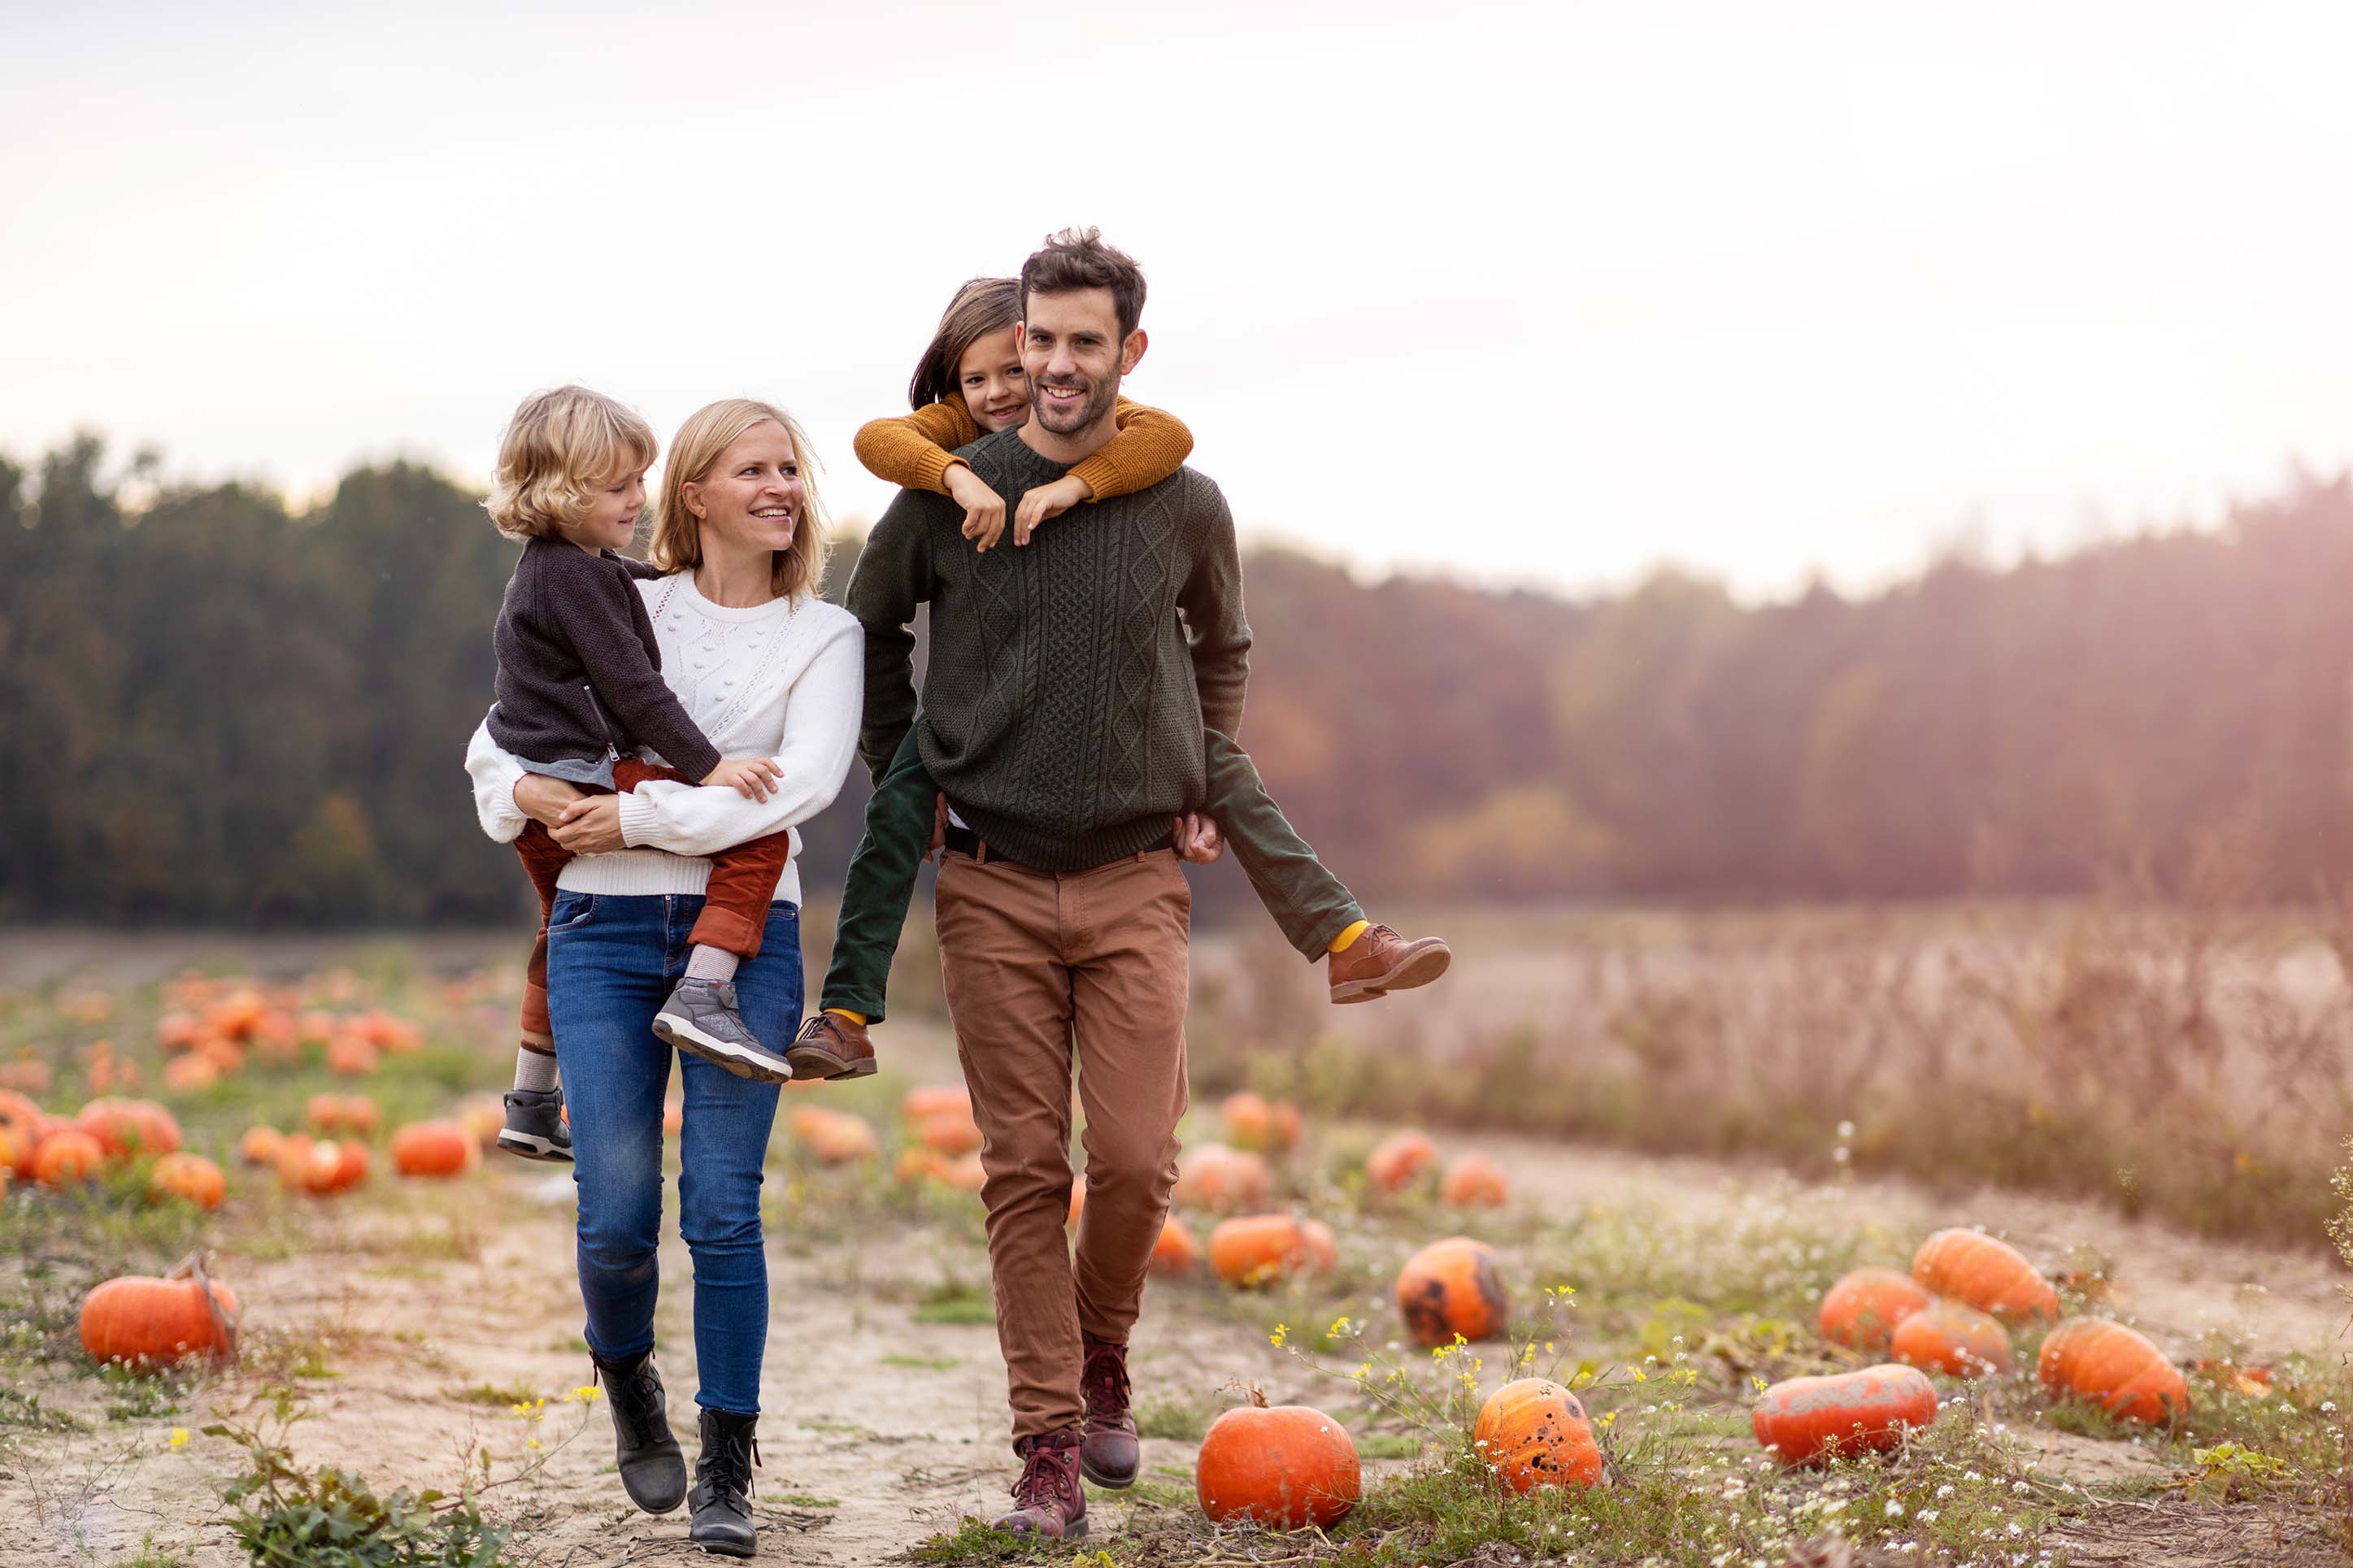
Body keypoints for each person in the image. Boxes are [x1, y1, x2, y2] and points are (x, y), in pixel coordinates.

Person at [789, 276, 1449, 1085]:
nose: (1003, 390)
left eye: (1017, 366)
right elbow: (876, 456)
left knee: (1227, 772)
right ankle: (848, 1015)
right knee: (891, 817)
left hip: (1138, 767)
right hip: (969, 749)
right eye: (980, 376)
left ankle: (1347, 943)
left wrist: (1074, 484)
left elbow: (1170, 439)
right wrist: (895, 752)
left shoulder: (1137, 450)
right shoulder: (944, 448)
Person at [465, 397, 862, 1558]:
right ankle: (626, 1373)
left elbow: (797, 787)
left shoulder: (820, 636)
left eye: (792, 468)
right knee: (619, 1214)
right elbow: (498, 735)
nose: (782, 486)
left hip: (749, 939)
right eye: (754, 468)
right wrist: (529, 799)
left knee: (724, 1212)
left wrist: (629, 810)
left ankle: (728, 1461)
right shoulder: (615, 587)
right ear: (695, 493)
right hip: (601, 927)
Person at [480, 386, 799, 1168]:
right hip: (575, 776)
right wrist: (710, 767)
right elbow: (634, 691)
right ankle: (704, 990)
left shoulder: (571, 568)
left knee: (556, 933)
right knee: (761, 837)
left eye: (640, 480)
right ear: (564, 491)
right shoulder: (573, 578)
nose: (638, 499)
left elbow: (628, 589)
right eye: (620, 486)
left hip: (546, 774)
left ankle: (528, 1101)